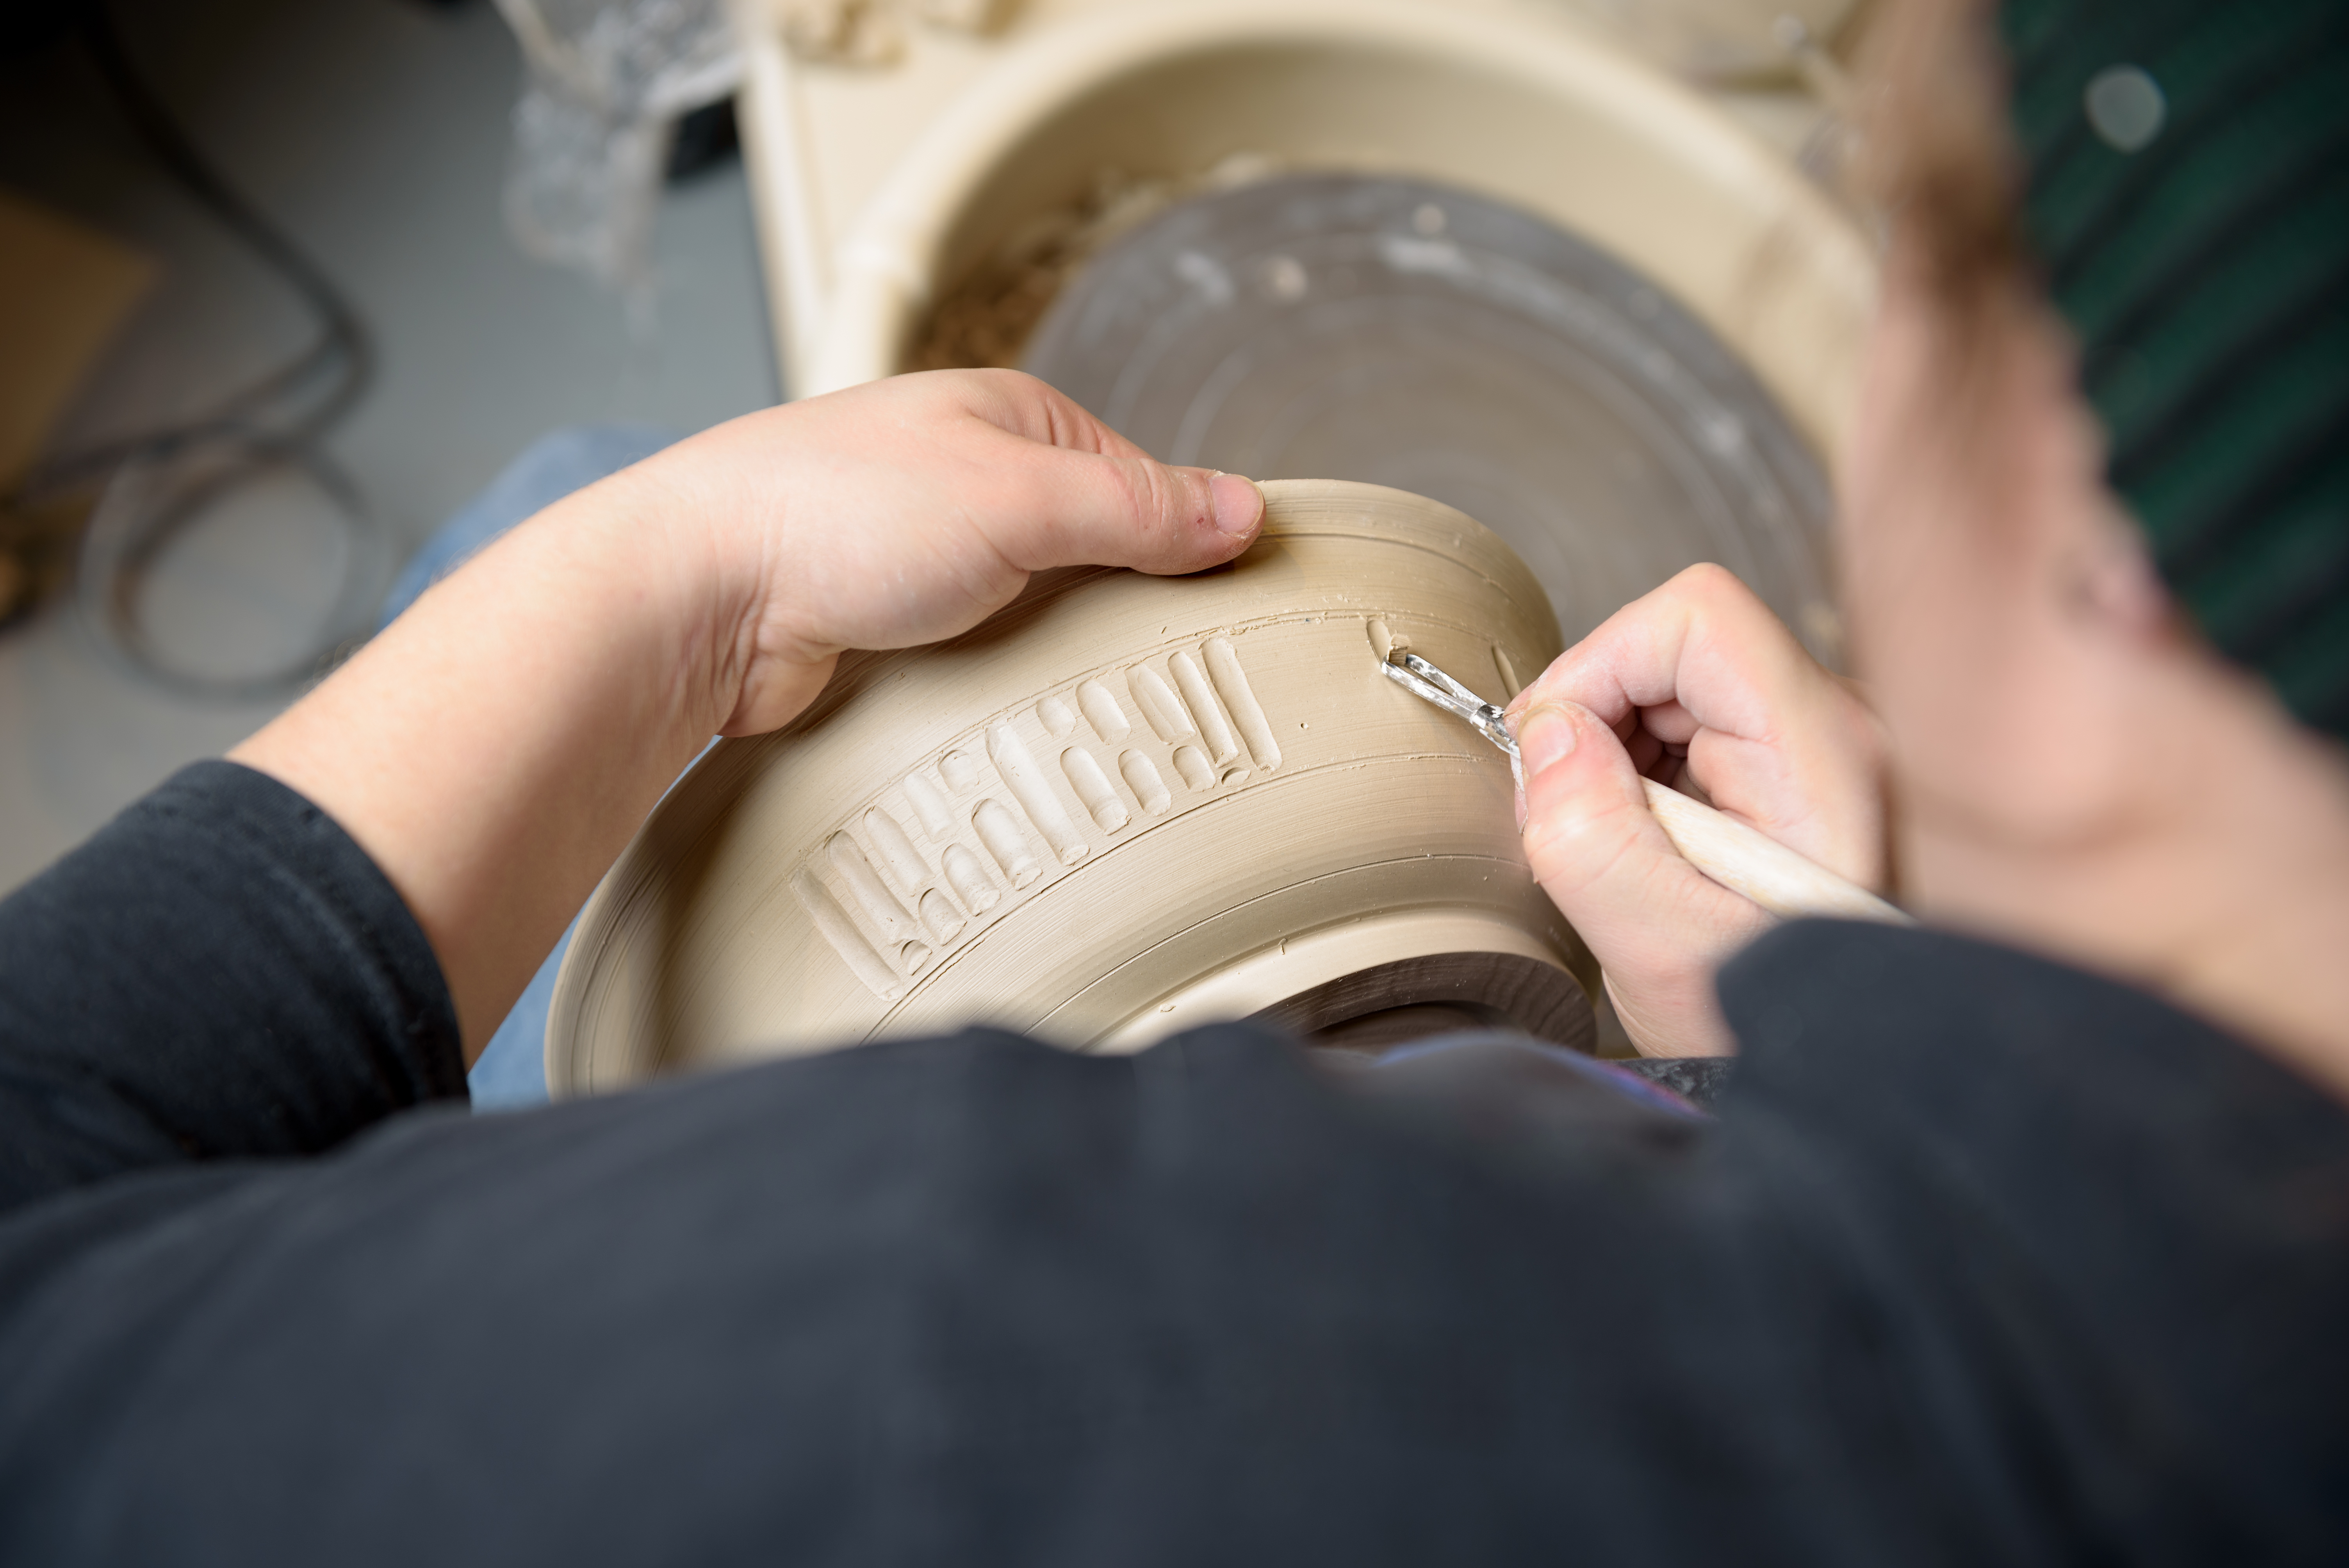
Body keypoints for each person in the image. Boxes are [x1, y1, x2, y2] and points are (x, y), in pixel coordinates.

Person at [3, 0, 2344, 1560]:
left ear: (2104, 558)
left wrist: (682, 576)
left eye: (1905, 263)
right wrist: (1834, 1040)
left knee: (563, 498)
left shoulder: (988, 1351)